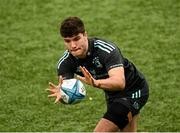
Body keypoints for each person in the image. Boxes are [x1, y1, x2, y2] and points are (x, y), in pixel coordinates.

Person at [47, 16, 149, 132]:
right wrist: (62, 94)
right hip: (112, 95)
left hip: (134, 91)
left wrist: (95, 83)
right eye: (67, 41)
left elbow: (120, 83)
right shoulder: (65, 63)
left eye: (76, 39)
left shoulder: (106, 50)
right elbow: (66, 91)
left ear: (85, 35)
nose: (73, 46)